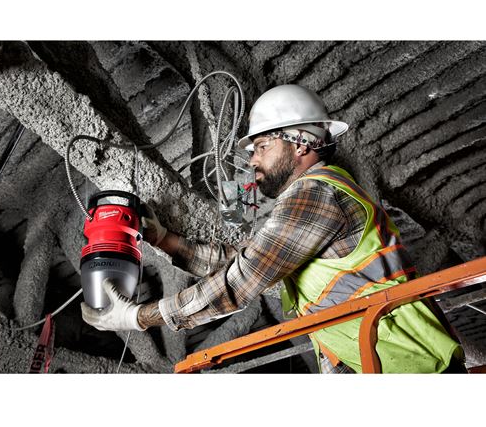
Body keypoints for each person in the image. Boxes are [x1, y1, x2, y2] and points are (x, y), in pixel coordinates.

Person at [82, 84, 465, 373]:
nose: (253, 161)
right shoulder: (314, 199)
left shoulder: (315, 193)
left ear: (301, 144)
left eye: (262, 146)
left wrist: (139, 317)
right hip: (391, 361)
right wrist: (164, 239)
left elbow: (241, 280)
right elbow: (244, 261)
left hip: (412, 365)